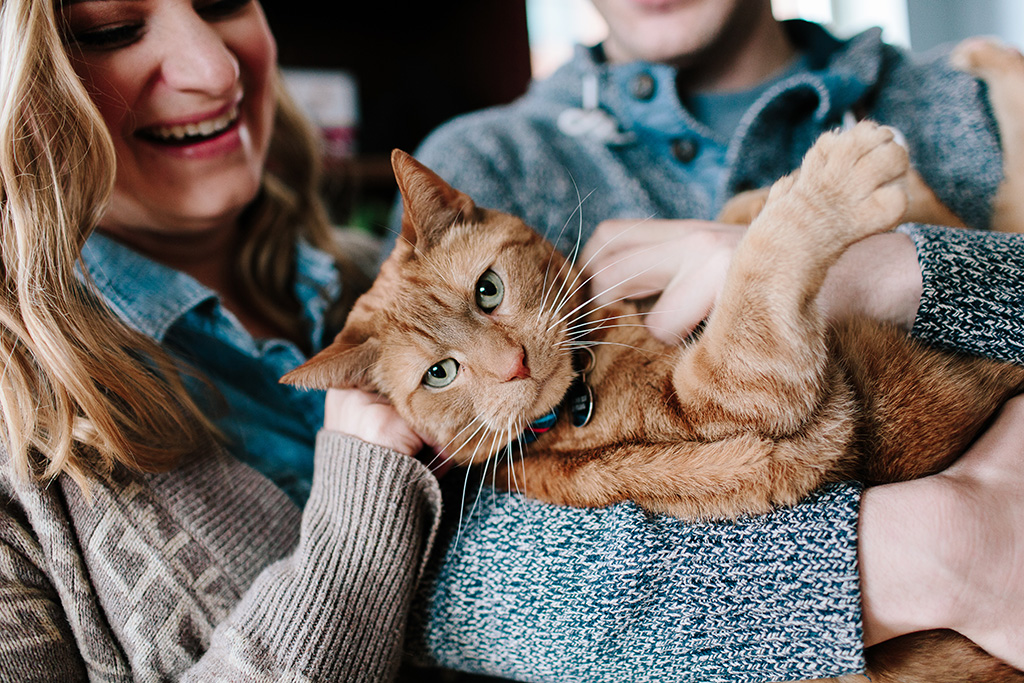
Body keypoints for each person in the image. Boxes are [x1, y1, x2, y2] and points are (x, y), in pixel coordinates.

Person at [390, 0, 1024, 680]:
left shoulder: (971, 101)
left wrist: (880, 275)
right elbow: (446, 589)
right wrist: (940, 550)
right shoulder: (491, 161)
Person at [0, 0, 440, 679]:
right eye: (110, 31)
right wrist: (356, 534)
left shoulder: (377, 272)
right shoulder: (15, 453)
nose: (216, 69)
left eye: (224, 1)